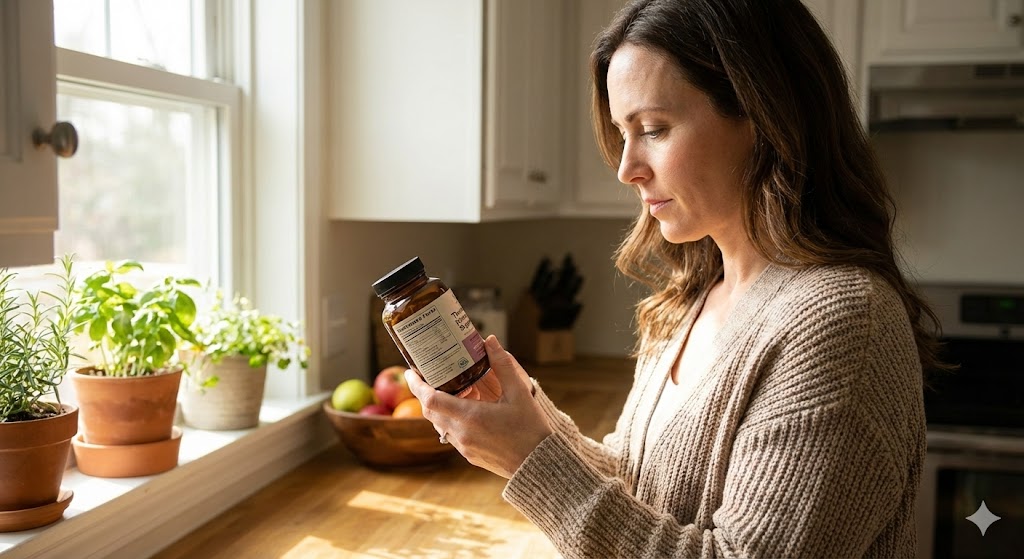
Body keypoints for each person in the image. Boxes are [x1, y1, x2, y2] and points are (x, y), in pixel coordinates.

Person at [404, 0, 944, 556]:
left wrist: (531, 458)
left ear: (765, 117)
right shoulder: (696, 296)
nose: (626, 167)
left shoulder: (842, 321)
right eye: (622, 132)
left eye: (654, 129)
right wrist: (527, 421)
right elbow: (639, 486)